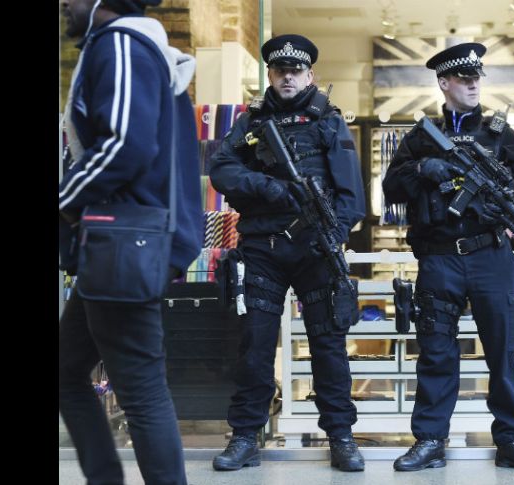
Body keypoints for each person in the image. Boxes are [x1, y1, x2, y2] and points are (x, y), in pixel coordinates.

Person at [382, 42, 514, 472]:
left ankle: (511, 439)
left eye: (477, 79)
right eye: (464, 79)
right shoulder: (421, 138)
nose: (474, 85)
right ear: (444, 83)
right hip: (439, 259)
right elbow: (391, 187)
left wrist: (511, 216)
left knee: (502, 353)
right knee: (436, 352)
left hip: (490, 254)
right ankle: (430, 439)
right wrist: (422, 169)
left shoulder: (498, 133)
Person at [58, 0, 204, 484]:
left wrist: (65, 198)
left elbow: (125, 143)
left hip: (122, 244)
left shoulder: (122, 44)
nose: (65, 5)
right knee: (67, 372)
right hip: (121, 243)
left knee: (141, 391)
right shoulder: (138, 48)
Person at [209, 34, 366, 472]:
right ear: (271, 75)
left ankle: (341, 436)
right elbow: (221, 169)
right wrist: (268, 187)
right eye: (280, 71)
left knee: (328, 346)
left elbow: (352, 198)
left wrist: (330, 235)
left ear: (310, 75)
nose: (288, 78)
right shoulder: (251, 122)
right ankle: (245, 436)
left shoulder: (329, 122)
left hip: (316, 249)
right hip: (263, 248)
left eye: (295, 71)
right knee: (255, 345)